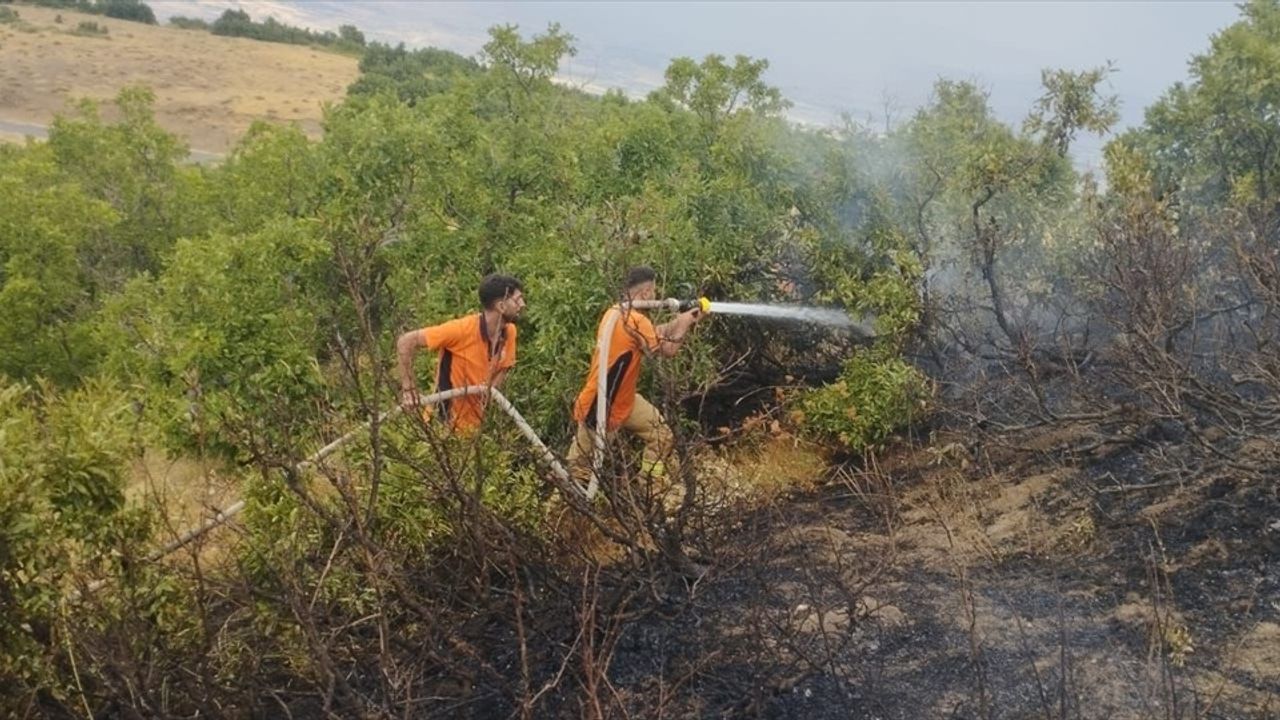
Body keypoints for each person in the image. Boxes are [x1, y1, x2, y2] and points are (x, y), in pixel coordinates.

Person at [566, 266, 703, 483]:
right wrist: (685, 324)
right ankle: (559, 514)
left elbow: (652, 333)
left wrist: (682, 318)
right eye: (655, 291)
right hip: (601, 406)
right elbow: (668, 351)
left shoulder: (615, 312)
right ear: (646, 293)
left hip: (625, 401)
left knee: (661, 435)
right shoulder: (635, 320)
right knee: (578, 472)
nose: (657, 296)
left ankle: (648, 485)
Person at [396, 273, 526, 432]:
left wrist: (490, 391)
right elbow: (406, 341)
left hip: (477, 428)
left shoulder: (509, 332)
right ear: (501, 306)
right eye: (517, 300)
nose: (522, 304)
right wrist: (409, 390)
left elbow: (505, 367)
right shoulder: (461, 330)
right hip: (443, 427)